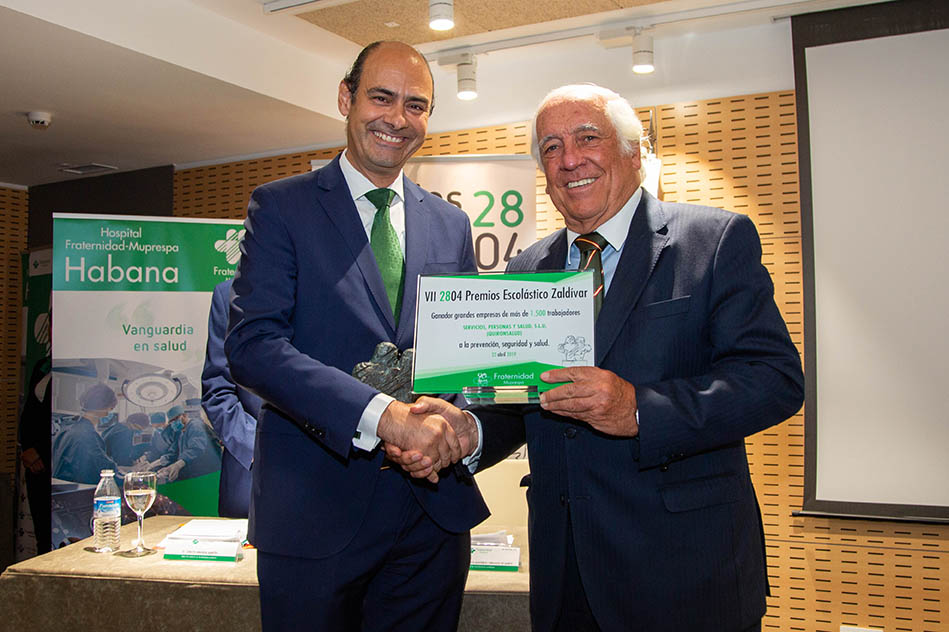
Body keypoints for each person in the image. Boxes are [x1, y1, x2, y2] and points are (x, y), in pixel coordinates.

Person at [395, 84, 805, 632]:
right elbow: (523, 399)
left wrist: (638, 409)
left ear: (634, 152)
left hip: (686, 574)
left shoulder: (713, 240)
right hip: (566, 577)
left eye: (588, 138)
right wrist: (470, 430)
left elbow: (774, 379)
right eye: (551, 147)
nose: (569, 160)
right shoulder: (526, 268)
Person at [225, 41, 488, 631]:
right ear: (346, 98)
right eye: (381, 97)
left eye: (416, 105)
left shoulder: (450, 223)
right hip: (314, 510)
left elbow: (462, 353)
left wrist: (456, 424)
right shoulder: (281, 208)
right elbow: (253, 347)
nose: (398, 118)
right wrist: (384, 417)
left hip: (431, 514)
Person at [201, 278, 262, 518]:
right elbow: (217, 391)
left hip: (328, 484)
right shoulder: (229, 294)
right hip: (251, 482)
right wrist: (262, 446)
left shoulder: (336, 290)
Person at [52, 381, 120, 485]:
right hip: (78, 490)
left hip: (62, 488)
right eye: (110, 408)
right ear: (107, 408)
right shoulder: (87, 435)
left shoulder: (67, 428)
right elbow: (103, 468)